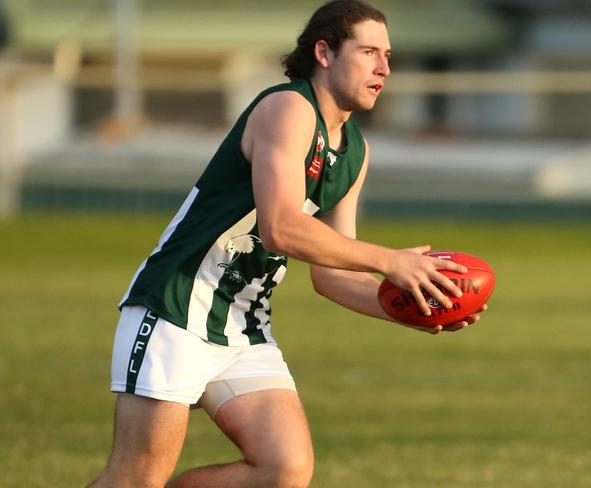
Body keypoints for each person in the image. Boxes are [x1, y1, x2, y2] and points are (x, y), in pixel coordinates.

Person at [89, 1, 485, 487]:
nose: (384, 67)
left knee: (283, 468)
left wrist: (411, 307)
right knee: (137, 477)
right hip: (176, 307)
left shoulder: (354, 152)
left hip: (242, 323)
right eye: (367, 52)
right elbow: (282, 228)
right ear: (324, 53)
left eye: (387, 55)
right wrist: (389, 261)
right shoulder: (287, 108)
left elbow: (333, 273)